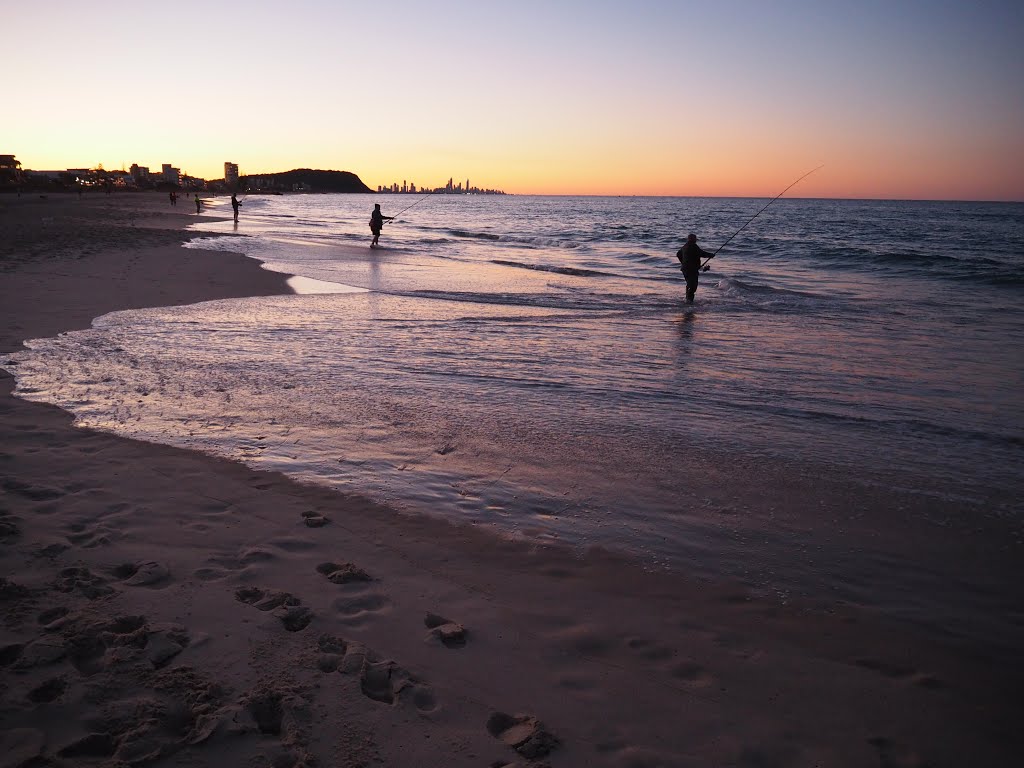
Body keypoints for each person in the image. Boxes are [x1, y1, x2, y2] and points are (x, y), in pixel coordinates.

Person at [676, 233, 714, 303]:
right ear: (692, 239)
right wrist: (711, 255)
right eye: (695, 239)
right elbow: (702, 253)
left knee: (690, 284)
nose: (695, 240)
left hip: (685, 269)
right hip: (691, 270)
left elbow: (678, 254)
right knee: (693, 285)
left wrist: (683, 262)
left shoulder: (685, 246)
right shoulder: (693, 246)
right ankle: (689, 301)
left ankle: (688, 300)